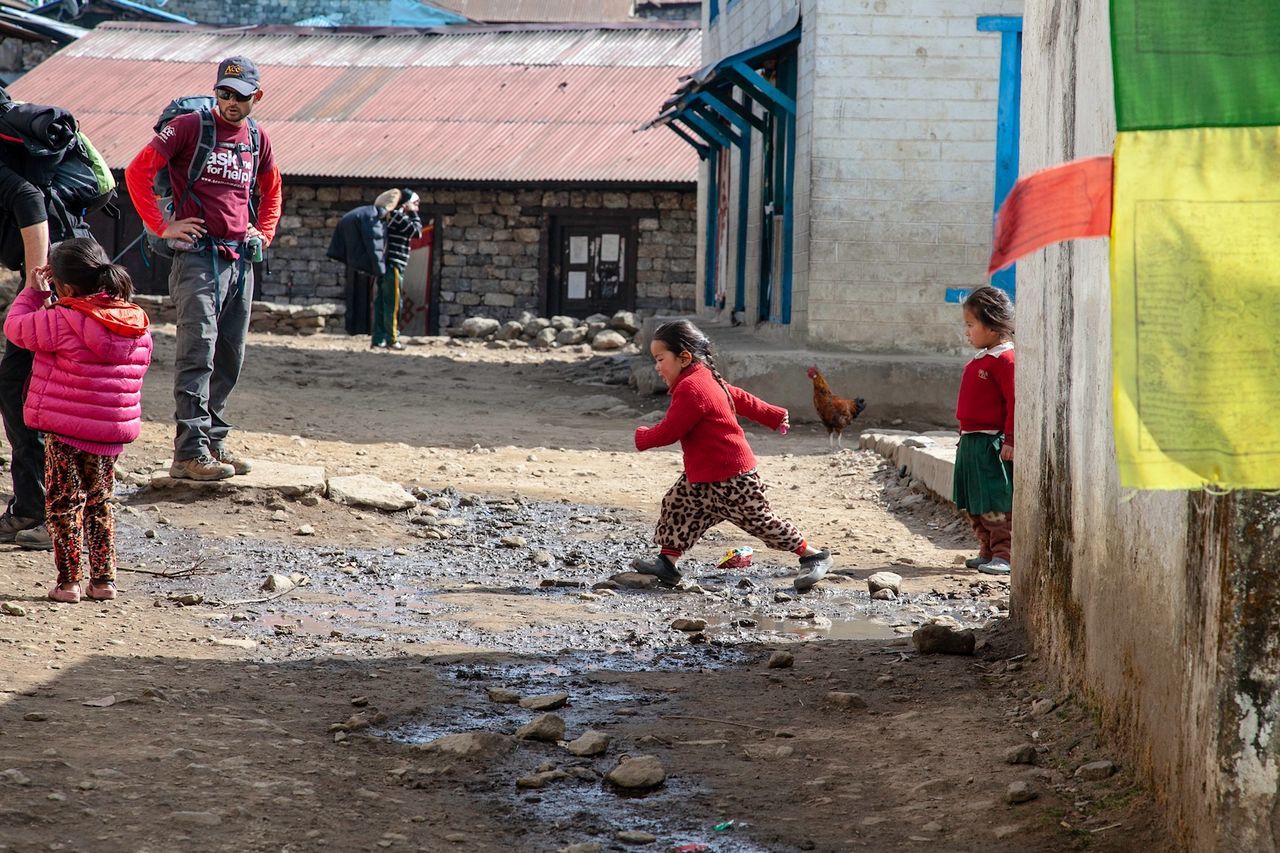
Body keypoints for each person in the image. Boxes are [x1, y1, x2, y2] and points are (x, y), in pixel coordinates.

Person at [123, 55, 282, 481]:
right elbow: (138, 170)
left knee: (230, 353)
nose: (231, 102)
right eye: (225, 93)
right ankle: (188, 451)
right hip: (199, 259)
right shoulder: (191, 127)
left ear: (257, 97)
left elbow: (272, 188)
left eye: (241, 96)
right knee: (200, 350)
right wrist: (163, 225)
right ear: (216, 92)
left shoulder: (256, 137)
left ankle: (213, 440)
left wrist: (261, 233)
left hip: (239, 260)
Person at [631, 320, 833, 591]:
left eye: (660, 359)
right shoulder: (703, 377)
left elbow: (669, 431)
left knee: (760, 522)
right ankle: (667, 563)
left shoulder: (692, 388)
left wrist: (642, 436)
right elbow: (737, 396)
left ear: (684, 357)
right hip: (703, 474)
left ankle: (814, 555)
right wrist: (772, 414)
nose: (657, 367)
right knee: (677, 506)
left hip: (732, 477)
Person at [3, 238, 153, 603]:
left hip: (66, 432)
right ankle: (103, 582)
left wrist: (33, 292)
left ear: (65, 286)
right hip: (107, 434)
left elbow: (16, 328)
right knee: (100, 502)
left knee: (62, 504)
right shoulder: (135, 321)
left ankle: (68, 583)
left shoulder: (61, 318)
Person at [0, 96, 90, 552]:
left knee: (26, 387)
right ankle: (39, 508)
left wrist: (39, 293)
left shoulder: (7, 166)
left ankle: (45, 512)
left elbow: (29, 199)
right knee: (31, 389)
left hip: (63, 280)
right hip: (69, 271)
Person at [954, 285, 1015, 576]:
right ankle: (986, 550)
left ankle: (1004, 553)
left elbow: (1014, 402)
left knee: (994, 501)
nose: (966, 332)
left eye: (970, 325)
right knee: (974, 501)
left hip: (991, 442)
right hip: (970, 442)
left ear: (991, 325)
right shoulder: (982, 359)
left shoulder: (1005, 361)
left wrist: (1011, 440)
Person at [327, 190, 398, 337]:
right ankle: (382, 334)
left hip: (349, 254)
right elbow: (375, 244)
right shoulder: (373, 217)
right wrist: (380, 271)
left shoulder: (364, 212)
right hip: (360, 259)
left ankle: (373, 334)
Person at [373, 188, 422, 350]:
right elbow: (417, 232)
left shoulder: (391, 217)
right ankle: (392, 339)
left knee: (382, 303)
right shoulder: (397, 216)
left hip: (384, 266)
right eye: (415, 203)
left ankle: (378, 338)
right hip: (393, 266)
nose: (417, 207)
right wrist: (413, 213)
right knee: (393, 305)